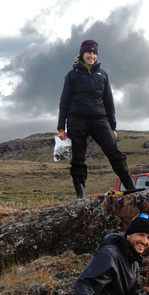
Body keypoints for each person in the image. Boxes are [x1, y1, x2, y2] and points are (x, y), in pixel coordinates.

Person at [57, 39, 136, 199]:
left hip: (100, 119)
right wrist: (61, 128)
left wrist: (113, 127)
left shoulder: (102, 75)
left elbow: (109, 102)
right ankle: (81, 196)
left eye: (94, 53)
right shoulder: (72, 75)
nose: (91, 56)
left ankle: (131, 188)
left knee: (114, 153)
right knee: (78, 158)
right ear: (82, 54)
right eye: (89, 53)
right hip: (77, 120)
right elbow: (64, 102)